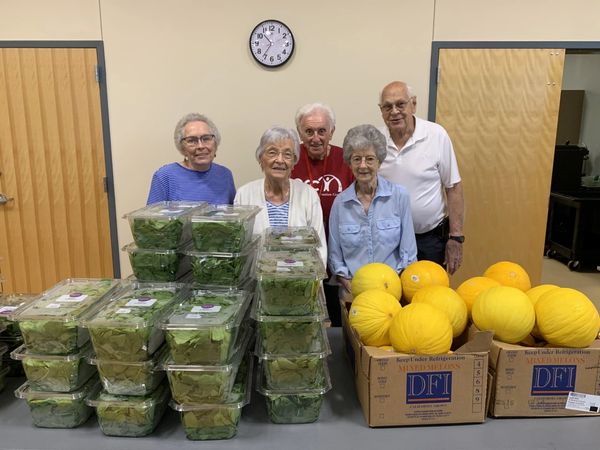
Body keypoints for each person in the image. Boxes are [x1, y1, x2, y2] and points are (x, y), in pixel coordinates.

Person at [377, 81, 465, 274]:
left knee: (428, 296)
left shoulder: (436, 135)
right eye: (387, 106)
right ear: (381, 110)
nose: (394, 111)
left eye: (400, 104)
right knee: (389, 297)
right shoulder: (376, 141)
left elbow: (453, 187)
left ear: (413, 104)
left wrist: (456, 237)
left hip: (430, 239)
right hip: (389, 242)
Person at [328, 124, 417, 294]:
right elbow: (335, 258)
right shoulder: (340, 203)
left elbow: (408, 255)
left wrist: (392, 287)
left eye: (369, 159)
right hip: (352, 291)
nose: (363, 166)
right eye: (356, 159)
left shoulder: (399, 196)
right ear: (349, 162)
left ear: (379, 161)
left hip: (391, 290)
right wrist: (353, 287)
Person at [291, 103, 354, 325]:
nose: (315, 138)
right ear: (300, 132)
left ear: (332, 131)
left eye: (321, 131)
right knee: (303, 312)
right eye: (309, 131)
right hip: (304, 252)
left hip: (341, 250)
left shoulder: (347, 159)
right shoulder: (290, 158)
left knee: (340, 314)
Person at [234, 126, 327, 265]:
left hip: (299, 281)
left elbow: (319, 248)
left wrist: (313, 283)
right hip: (255, 282)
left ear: (294, 162)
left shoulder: (308, 194)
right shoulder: (244, 195)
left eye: (287, 154)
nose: (280, 160)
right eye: (272, 153)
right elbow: (239, 246)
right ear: (261, 158)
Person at [146, 113, 236, 205]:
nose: (200, 146)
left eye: (206, 139)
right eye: (192, 140)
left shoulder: (225, 175)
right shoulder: (165, 177)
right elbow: (149, 218)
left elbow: (232, 215)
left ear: (216, 143)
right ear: (182, 147)